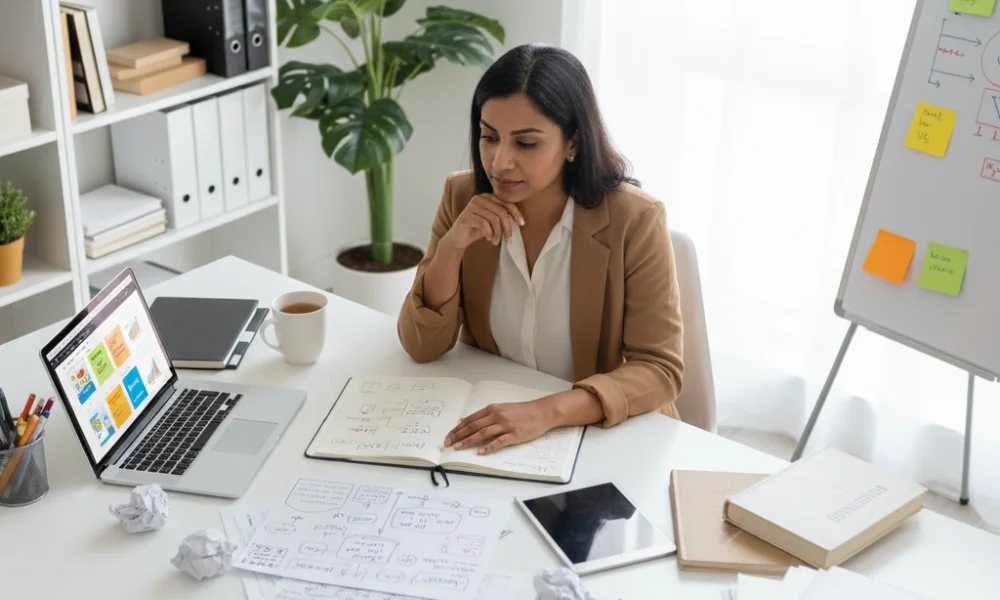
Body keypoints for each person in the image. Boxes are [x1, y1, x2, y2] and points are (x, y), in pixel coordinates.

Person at [397, 43, 684, 456]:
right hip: (495, 425)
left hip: (605, 436)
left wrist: (545, 412)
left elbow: (660, 371)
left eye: (526, 144)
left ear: (573, 143)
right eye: (488, 137)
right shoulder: (462, 196)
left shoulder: (635, 219)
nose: (499, 162)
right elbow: (421, 347)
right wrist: (452, 247)